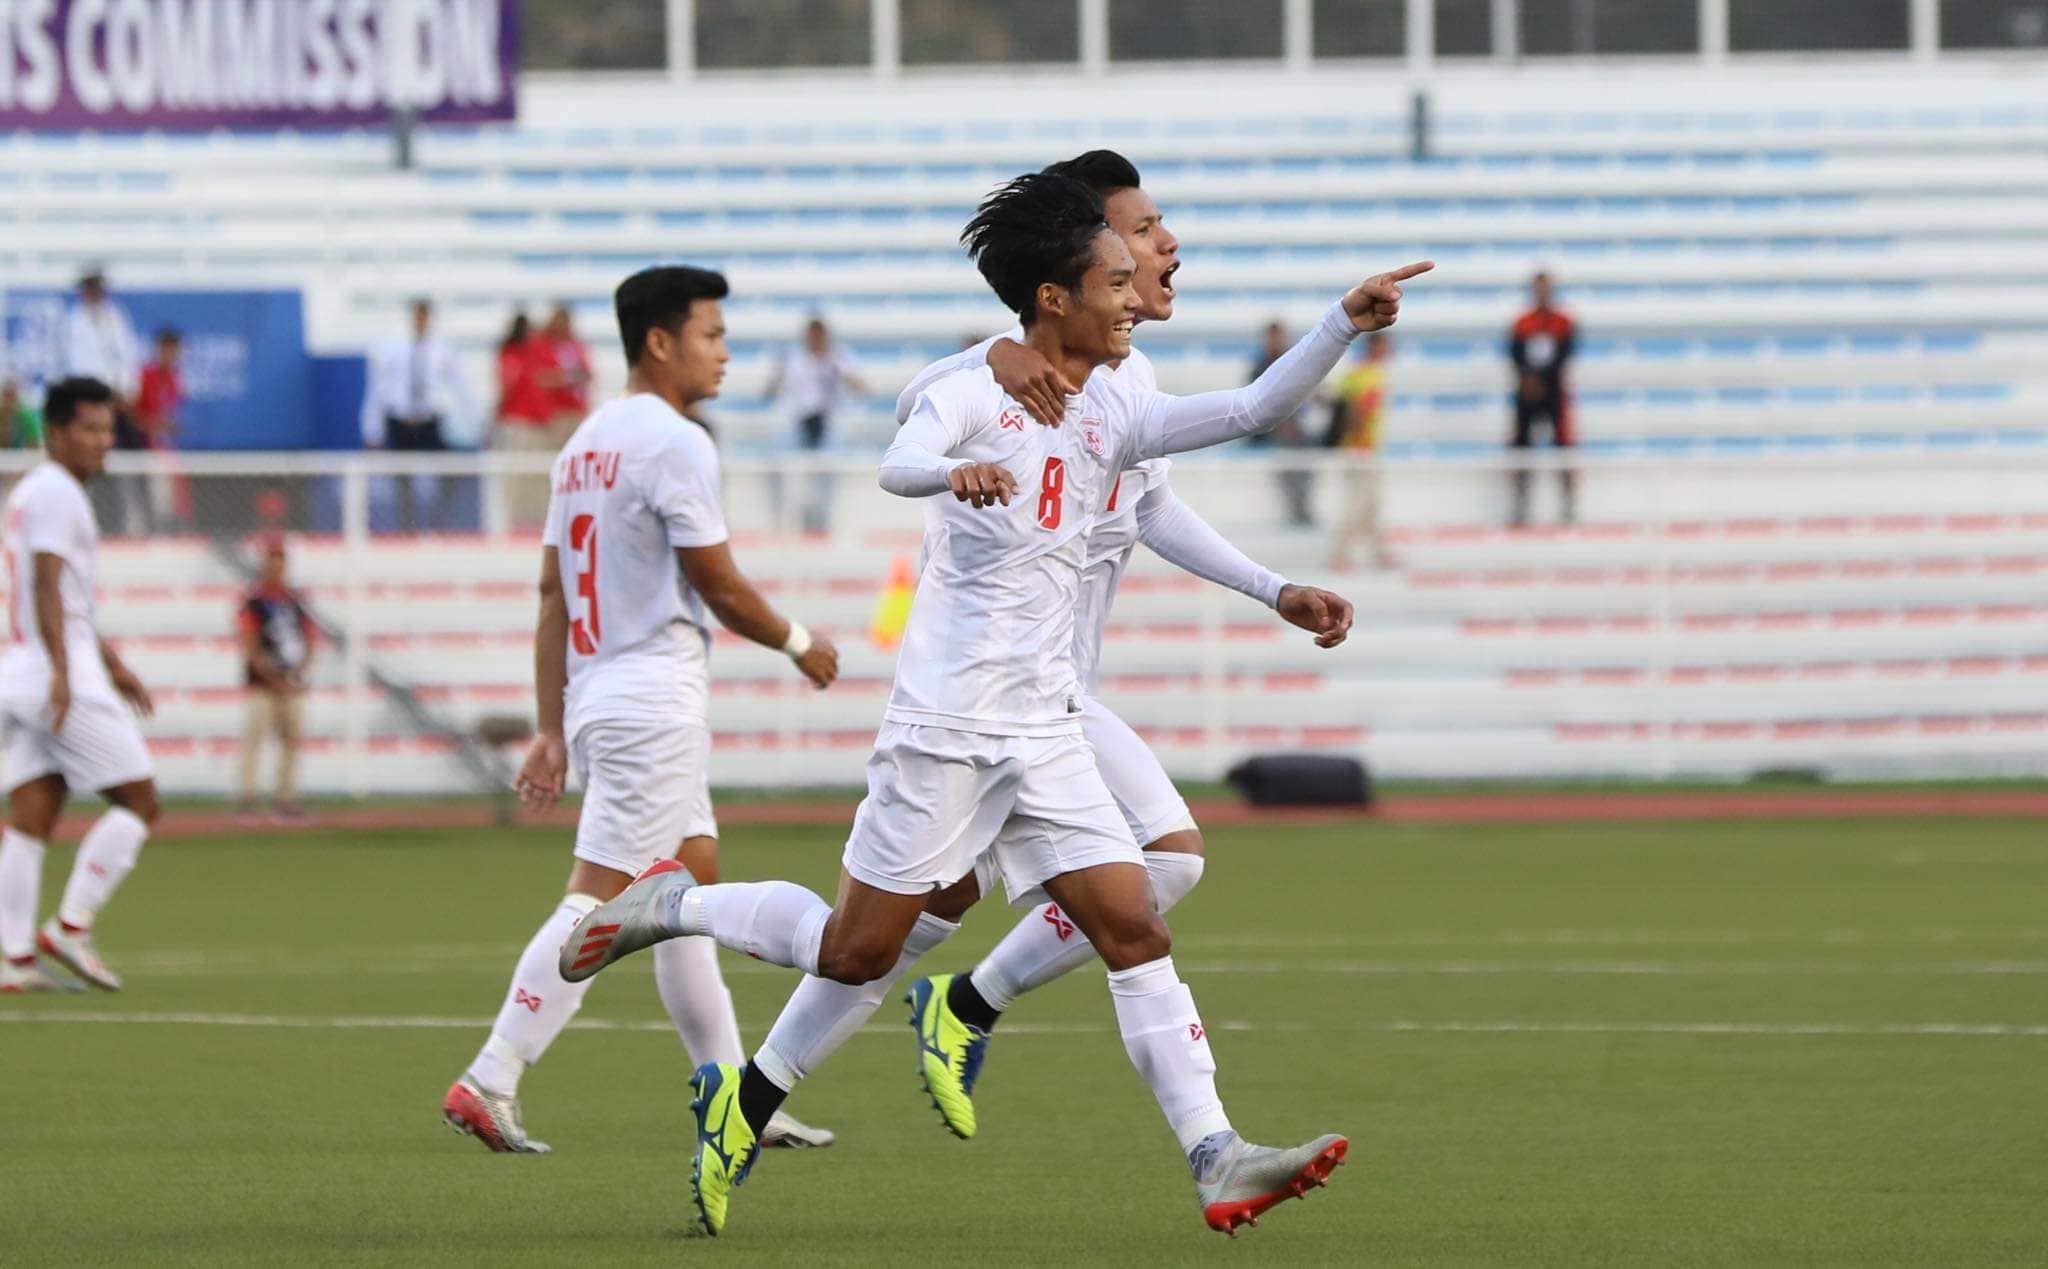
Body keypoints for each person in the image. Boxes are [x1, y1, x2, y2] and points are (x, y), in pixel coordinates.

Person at [556, 173, 1424, 1237]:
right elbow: (901, 457)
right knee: (855, 952)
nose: (1130, 295)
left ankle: (1216, 1155)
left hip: (1047, 725)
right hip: (945, 731)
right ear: (1054, 299)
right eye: (1113, 279)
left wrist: (1341, 322)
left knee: (1133, 926)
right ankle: (671, 904)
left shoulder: (1115, 398)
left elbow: (1248, 410)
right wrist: (949, 473)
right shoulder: (978, 385)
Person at [881, 152, 1355, 1142]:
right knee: (875, 937)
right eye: (1140, 232)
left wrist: (1273, 589)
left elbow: (1156, 509)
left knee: (1132, 880)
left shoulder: (1123, 378)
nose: (1164, 244)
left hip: (1049, 698)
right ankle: (705, 933)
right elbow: (916, 416)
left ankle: (952, 1008)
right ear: (1079, 260)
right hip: (990, 695)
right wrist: (986, 359)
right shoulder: (1016, 368)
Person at [441, 265, 842, 1156]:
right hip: (651, 698)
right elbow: (721, 585)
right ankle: (492, 1075)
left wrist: (550, 726)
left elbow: (552, 593)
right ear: (659, 341)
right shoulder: (675, 440)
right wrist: (797, 641)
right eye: (711, 334)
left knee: (685, 890)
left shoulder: (582, 443)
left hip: (600, 695)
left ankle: (743, 1097)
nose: (725, 352)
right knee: (601, 900)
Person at [0, 377, 162, 994]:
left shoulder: (33, 492)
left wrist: (112, 661)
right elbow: (46, 584)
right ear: (57, 432)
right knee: (140, 801)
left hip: (24, 670)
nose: (104, 441)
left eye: (108, 428)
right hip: (51, 674)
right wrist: (66, 675)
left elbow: (65, 596)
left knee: (32, 816)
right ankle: (71, 924)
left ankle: (14, 960)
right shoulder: (59, 492)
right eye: (91, 429)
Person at [360, 298, 478, 532]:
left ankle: (437, 523)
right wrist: (371, 428)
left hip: (428, 421)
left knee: (449, 471)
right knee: (402, 478)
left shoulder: (442, 351)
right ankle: (408, 527)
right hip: (400, 421)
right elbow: (378, 390)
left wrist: (476, 421)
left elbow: (460, 387)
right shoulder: (393, 350)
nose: (421, 321)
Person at [235, 538, 315, 824]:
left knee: (291, 741)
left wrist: (298, 672)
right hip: (262, 684)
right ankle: (247, 800)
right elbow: (249, 642)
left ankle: (285, 799)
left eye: (281, 563)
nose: (277, 569)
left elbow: (309, 638)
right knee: (255, 739)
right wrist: (270, 675)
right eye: (272, 562)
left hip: (291, 682)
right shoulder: (254, 602)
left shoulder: (295, 601)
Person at [60, 269, 145, 535]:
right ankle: (100, 523)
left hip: (121, 405)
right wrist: (105, 395)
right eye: (91, 290)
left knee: (132, 462)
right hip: (94, 404)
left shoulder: (115, 317)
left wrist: (127, 391)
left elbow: (128, 355)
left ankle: (134, 522)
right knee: (96, 465)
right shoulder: (75, 322)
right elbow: (80, 364)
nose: (96, 295)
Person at [766, 316, 865, 533]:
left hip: (827, 422)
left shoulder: (839, 357)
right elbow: (769, 391)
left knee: (826, 472)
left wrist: (837, 368)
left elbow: (861, 388)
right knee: (781, 465)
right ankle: (786, 520)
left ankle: (821, 523)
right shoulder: (792, 358)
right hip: (797, 421)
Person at [1508, 270, 1578, 526]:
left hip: (1553, 391)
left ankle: (1568, 506)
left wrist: (1542, 380)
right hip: (1527, 391)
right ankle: (1520, 506)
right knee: (1520, 448)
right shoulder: (1522, 322)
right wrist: (1529, 379)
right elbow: (1514, 354)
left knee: (1564, 446)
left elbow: (1565, 354)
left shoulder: (1563, 321)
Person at [1326, 333, 1397, 571]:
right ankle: (1340, 555)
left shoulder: (1354, 373)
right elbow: (1359, 412)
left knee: (1371, 505)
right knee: (1359, 505)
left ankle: (1378, 553)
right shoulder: (1371, 376)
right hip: (1361, 449)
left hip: (1359, 447)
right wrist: (1360, 441)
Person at [1246, 320, 1315, 527]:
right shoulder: (1260, 366)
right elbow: (1252, 402)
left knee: (1305, 467)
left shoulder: (1294, 361)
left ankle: (1302, 509)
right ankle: (1294, 513)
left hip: (1298, 428)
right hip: (1272, 429)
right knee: (1288, 469)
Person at [491, 312, 557, 530]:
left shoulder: (532, 353)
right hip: (521, 422)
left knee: (537, 476)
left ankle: (535, 520)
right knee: (520, 474)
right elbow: (507, 388)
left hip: (537, 422)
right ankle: (519, 521)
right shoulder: (512, 355)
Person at [134, 327, 187, 528]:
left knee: (175, 493)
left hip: (166, 448)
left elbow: (175, 415)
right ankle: (151, 531)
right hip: (143, 447)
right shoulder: (144, 375)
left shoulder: (175, 379)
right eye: (167, 350)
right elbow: (133, 415)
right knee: (156, 494)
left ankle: (172, 530)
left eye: (175, 351)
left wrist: (170, 427)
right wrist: (153, 425)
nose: (171, 355)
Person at [2, 379, 41, 450]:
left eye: (12, 396)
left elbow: (34, 444)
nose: (9, 401)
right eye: (7, 396)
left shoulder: (27, 417)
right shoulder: (2, 415)